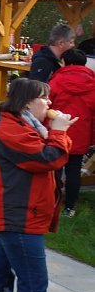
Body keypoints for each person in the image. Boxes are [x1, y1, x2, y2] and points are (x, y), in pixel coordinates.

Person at [0, 79, 75, 292]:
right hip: (18, 215)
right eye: (45, 98)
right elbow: (48, 158)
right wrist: (58, 131)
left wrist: (56, 130)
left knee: (1, 271)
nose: (50, 103)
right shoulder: (11, 129)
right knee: (34, 281)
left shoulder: (23, 125)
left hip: (16, 211)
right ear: (27, 102)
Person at [48, 48, 95, 217]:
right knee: (74, 171)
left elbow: (47, 105)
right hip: (81, 132)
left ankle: (52, 204)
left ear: (66, 62)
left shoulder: (57, 80)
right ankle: (70, 207)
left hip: (58, 130)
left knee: (54, 170)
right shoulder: (92, 82)